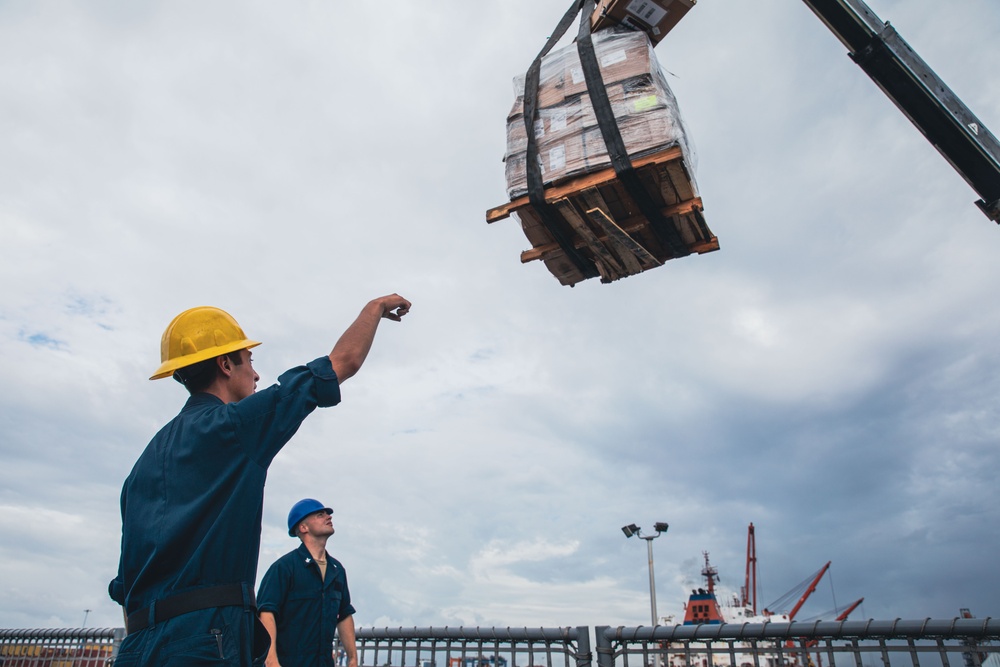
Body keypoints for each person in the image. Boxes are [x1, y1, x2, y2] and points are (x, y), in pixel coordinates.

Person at [108, 295, 411, 667]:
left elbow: (124, 588)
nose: (255, 374)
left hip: (135, 648)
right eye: (249, 360)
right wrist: (374, 308)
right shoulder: (232, 428)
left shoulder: (141, 466)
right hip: (205, 642)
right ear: (224, 364)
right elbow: (340, 364)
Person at [256, 499, 357, 667]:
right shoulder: (284, 568)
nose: (328, 517)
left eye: (328, 514)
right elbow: (266, 612)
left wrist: (353, 659)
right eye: (320, 514)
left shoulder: (337, 570)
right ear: (303, 528)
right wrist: (272, 661)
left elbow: (344, 614)